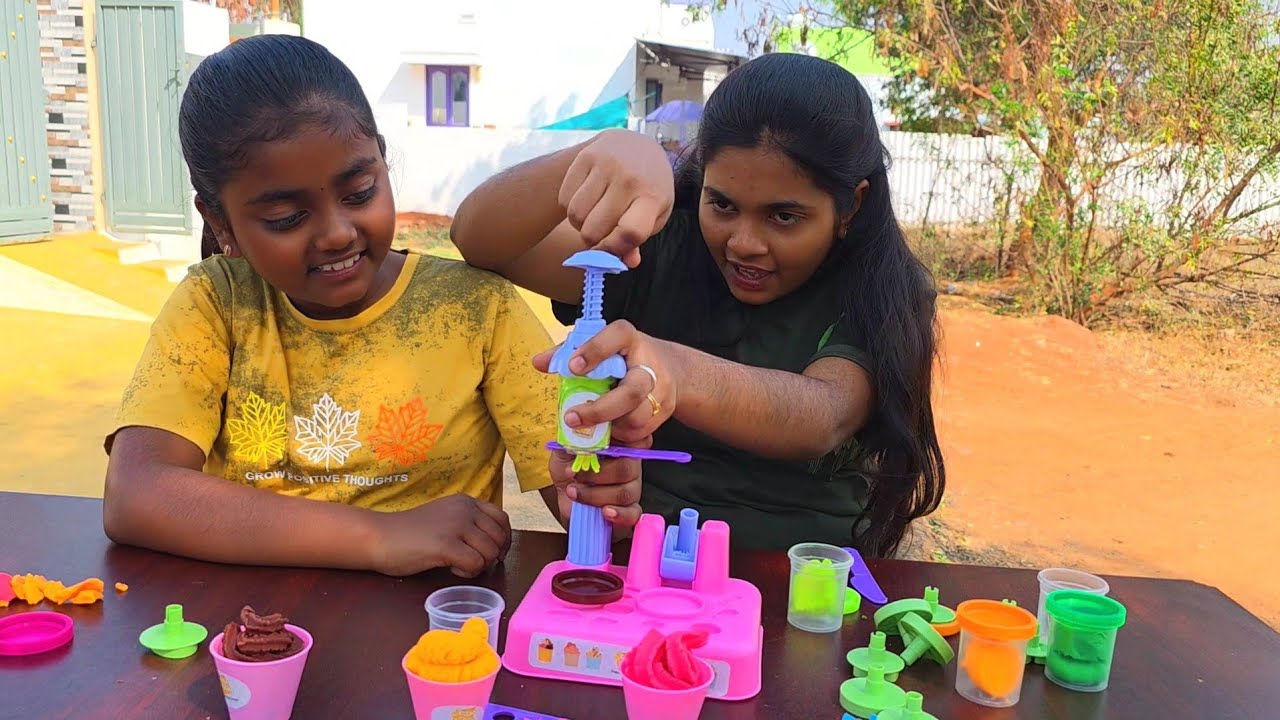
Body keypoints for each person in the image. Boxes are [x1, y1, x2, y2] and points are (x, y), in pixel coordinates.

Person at [102, 35, 642, 579]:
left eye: (360, 192)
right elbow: (137, 493)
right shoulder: (215, 304)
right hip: (253, 621)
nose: (337, 233)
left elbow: (582, 497)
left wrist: (597, 495)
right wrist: (379, 536)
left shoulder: (476, 310)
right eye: (287, 218)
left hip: (435, 622)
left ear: (382, 161)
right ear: (220, 222)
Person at [451, 53, 944, 556]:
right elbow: (479, 239)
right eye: (722, 204)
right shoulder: (656, 248)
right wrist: (600, 151)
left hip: (811, 577)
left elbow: (824, 414)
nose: (744, 243)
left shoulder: (882, 287)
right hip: (646, 564)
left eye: (784, 217)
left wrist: (676, 372)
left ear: (851, 206)